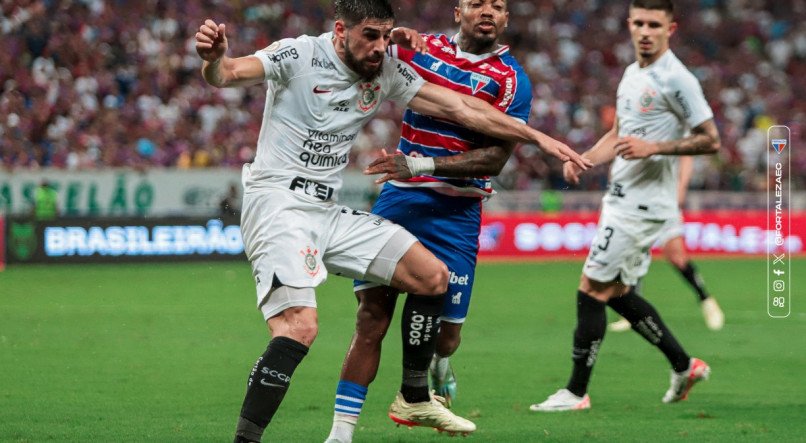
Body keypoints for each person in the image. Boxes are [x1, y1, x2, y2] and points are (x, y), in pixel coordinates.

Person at [194, 1, 589, 441]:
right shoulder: (299, 54)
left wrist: (538, 138)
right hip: (278, 205)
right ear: (341, 30)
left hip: (327, 210)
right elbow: (228, 74)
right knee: (300, 327)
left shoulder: (385, 72)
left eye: (387, 36)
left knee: (431, 276)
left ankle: (414, 396)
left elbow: (463, 109)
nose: (381, 47)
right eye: (370, 36)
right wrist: (214, 60)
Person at [326, 1, 535, 440]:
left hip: (458, 213)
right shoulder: (421, 48)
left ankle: (439, 365)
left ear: (506, 18)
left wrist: (420, 164)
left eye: (498, 5)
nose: (488, 11)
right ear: (458, 10)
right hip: (401, 202)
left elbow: (496, 159)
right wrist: (393, 37)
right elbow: (364, 54)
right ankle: (341, 434)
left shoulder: (512, 80)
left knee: (446, 338)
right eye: (477, 2)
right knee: (371, 319)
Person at [530, 0, 720, 412]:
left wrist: (657, 147)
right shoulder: (632, 74)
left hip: (643, 207)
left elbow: (710, 138)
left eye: (655, 24)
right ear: (629, 25)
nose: (645, 31)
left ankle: (576, 392)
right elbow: (618, 134)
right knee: (615, 292)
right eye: (639, 23)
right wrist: (581, 159)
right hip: (620, 200)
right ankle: (683, 365)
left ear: (671, 28)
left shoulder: (677, 80)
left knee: (589, 288)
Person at [608, 156, 724, 332]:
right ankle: (630, 312)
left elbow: (685, 155)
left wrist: (682, 186)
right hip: (636, 200)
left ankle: (706, 300)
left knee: (677, 257)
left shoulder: (670, 130)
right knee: (633, 254)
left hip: (664, 200)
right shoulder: (631, 130)